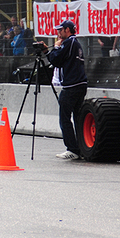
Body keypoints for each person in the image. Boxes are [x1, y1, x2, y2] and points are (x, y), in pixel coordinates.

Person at [40, 19, 88, 160]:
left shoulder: (69, 43)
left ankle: (72, 149)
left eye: (60, 30)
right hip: (79, 84)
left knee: (65, 118)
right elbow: (58, 60)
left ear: (67, 30)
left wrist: (54, 47)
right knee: (77, 117)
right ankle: (81, 147)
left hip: (72, 85)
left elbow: (56, 60)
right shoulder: (75, 43)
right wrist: (47, 51)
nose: (58, 33)